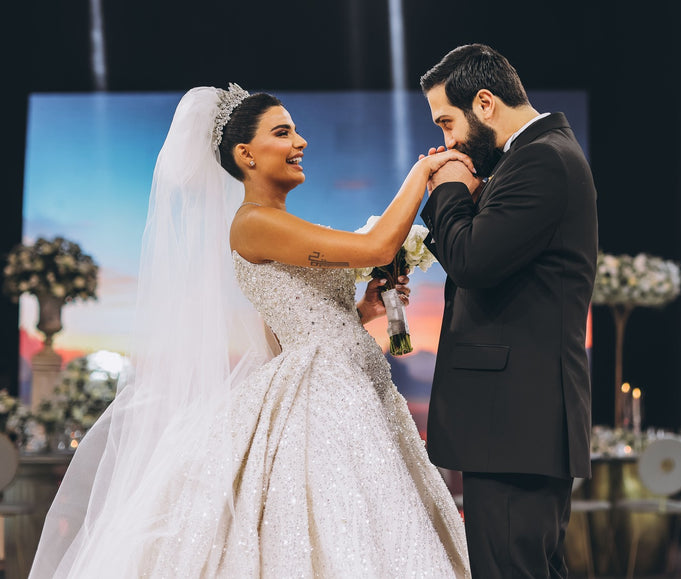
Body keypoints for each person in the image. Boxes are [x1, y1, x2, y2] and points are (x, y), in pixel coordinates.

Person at [30, 85, 472, 577]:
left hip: (352, 382)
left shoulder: (278, 223)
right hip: (324, 396)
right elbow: (375, 247)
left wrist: (362, 311)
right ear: (246, 155)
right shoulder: (253, 223)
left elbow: (288, 329)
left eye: (296, 131)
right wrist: (423, 172)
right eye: (283, 132)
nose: (300, 142)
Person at [417, 44, 598, 578]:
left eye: (447, 122)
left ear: (485, 103)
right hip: (516, 424)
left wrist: (450, 187)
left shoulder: (541, 159)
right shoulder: (534, 156)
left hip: (517, 421)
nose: (448, 141)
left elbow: (472, 261)